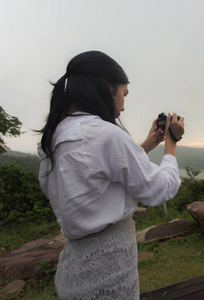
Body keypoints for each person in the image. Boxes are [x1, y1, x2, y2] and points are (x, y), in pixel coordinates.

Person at [37, 50, 184, 299]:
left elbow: (96, 174)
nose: (124, 106)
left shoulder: (53, 138)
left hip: (73, 268)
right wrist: (172, 141)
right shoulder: (105, 133)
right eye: (123, 94)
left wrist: (146, 146)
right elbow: (160, 189)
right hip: (110, 268)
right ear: (107, 86)